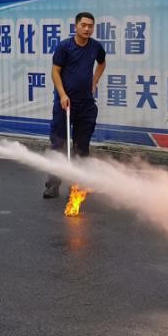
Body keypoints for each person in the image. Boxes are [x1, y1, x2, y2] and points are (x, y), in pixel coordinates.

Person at [43, 12, 106, 199]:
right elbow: (55, 72)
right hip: (65, 104)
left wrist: (94, 81)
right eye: (83, 25)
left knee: (82, 147)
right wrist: (62, 95)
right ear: (76, 26)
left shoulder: (95, 47)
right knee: (58, 144)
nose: (87, 29)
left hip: (86, 104)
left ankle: (78, 185)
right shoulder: (65, 47)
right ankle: (52, 185)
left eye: (90, 26)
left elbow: (102, 63)